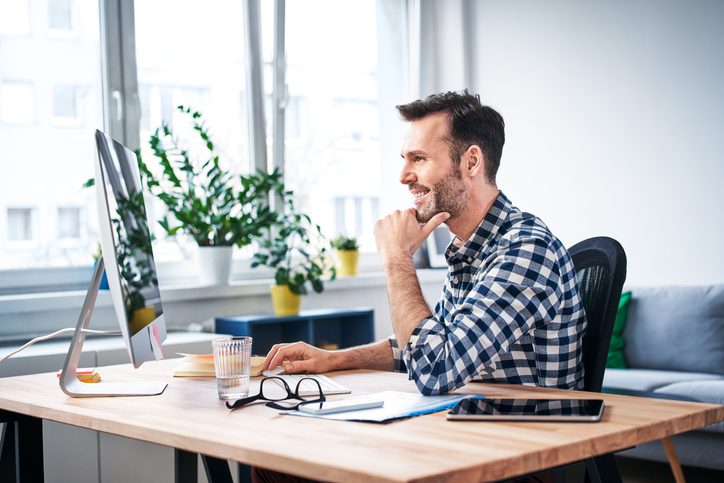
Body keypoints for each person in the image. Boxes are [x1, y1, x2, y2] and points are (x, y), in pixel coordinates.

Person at [256, 91, 584, 483]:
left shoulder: (525, 249)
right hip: (463, 437)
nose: (403, 176)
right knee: (279, 460)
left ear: (472, 161)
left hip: (518, 459)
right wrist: (334, 360)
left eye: (420, 159)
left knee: (300, 466)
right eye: (405, 159)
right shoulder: (471, 248)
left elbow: (435, 369)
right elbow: (427, 345)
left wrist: (397, 258)